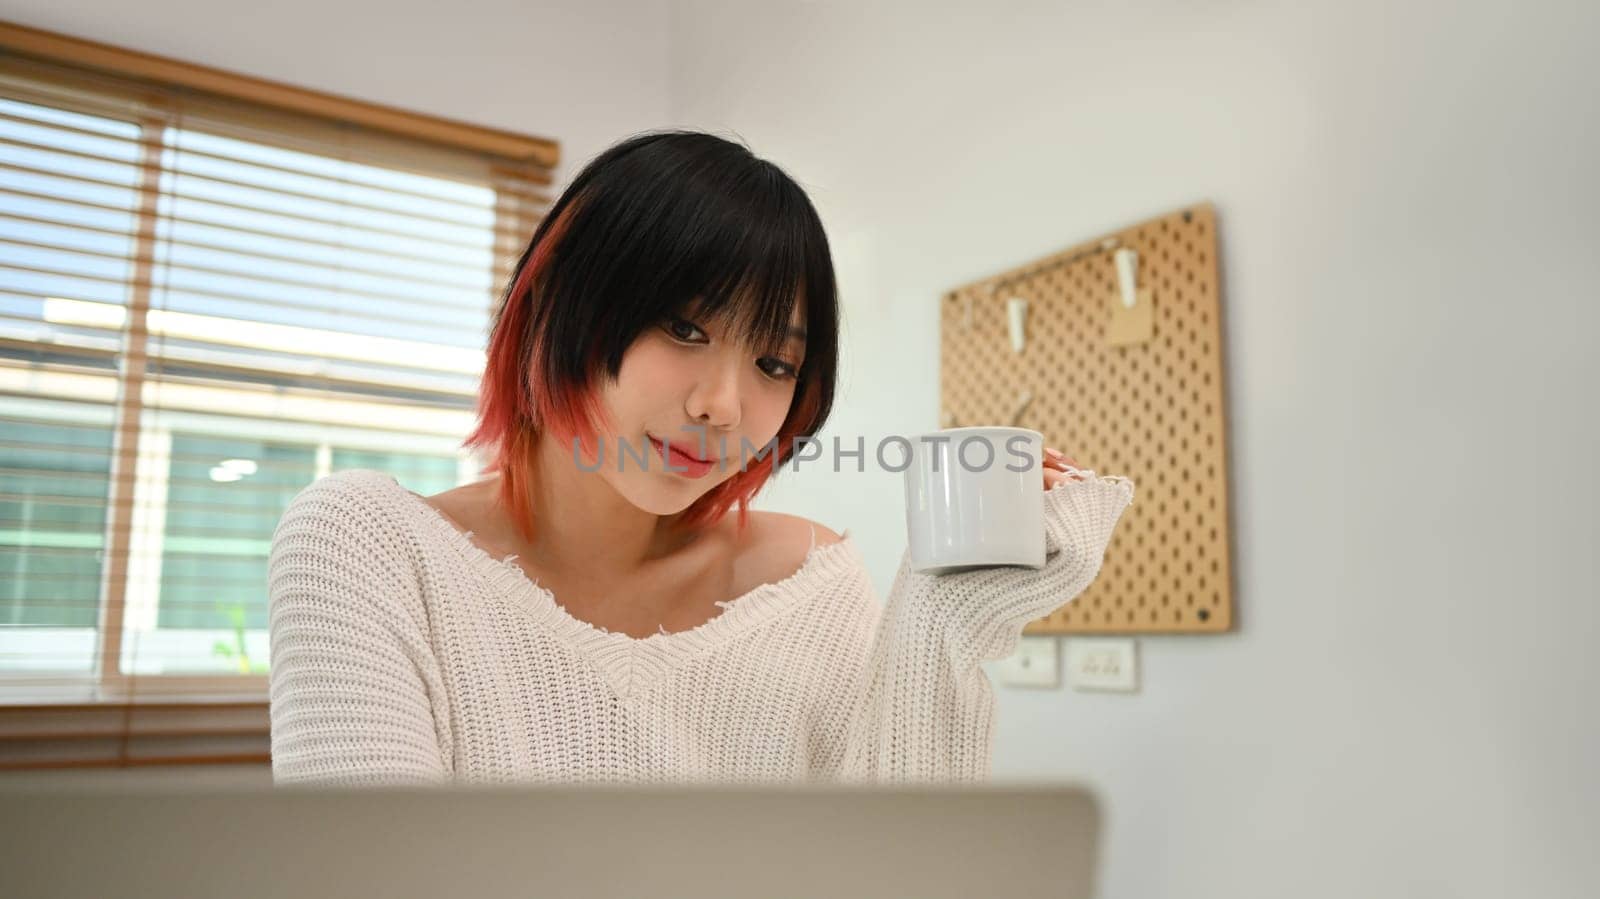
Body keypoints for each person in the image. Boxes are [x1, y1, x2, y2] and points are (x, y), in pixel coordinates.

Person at [266, 129, 1135, 786]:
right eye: (684, 326)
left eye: (773, 363)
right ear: (559, 304)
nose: (724, 405)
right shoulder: (368, 544)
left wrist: (945, 621)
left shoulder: (810, 584)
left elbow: (899, 867)